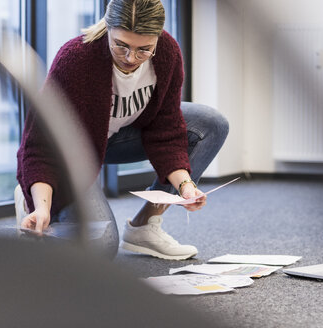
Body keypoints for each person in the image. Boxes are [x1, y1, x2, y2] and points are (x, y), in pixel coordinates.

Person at [14, 0, 229, 260]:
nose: (131, 58)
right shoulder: (75, 60)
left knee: (210, 124)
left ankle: (144, 227)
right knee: (101, 246)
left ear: (157, 38)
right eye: (121, 45)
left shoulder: (167, 53)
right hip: (71, 156)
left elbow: (167, 129)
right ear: (108, 28)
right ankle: (34, 201)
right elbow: (40, 145)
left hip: (119, 137)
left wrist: (185, 187)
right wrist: (42, 206)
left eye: (143, 50)